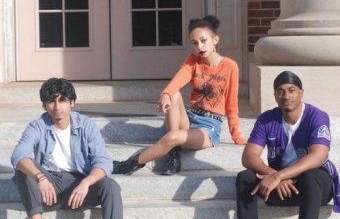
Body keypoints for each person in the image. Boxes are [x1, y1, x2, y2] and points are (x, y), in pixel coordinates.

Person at [112, 15, 247, 176]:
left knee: (173, 135)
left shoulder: (230, 66)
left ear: (215, 39)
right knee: (174, 95)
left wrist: (236, 135)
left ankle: (131, 164)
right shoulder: (193, 60)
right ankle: (174, 155)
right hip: (189, 118)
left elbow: (231, 105)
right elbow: (178, 80)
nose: (200, 46)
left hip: (209, 126)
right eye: (195, 43)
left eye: (204, 40)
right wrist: (165, 95)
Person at [10, 78, 123, 219]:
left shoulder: (86, 125)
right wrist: (40, 178)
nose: (57, 107)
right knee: (23, 167)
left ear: (72, 102)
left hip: (79, 187)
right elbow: (19, 155)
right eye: (52, 101)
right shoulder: (37, 126)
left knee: (110, 186)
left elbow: (103, 161)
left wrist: (86, 182)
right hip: (49, 188)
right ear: (44, 105)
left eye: (62, 100)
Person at [235, 71, 340, 219]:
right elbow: (248, 156)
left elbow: (317, 157)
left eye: (292, 90)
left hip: (315, 189)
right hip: (280, 187)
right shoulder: (266, 119)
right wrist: (275, 176)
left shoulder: (317, 116)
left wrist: (279, 176)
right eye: (280, 91)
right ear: (275, 96)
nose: (286, 96)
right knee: (244, 177)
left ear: (301, 93)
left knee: (311, 176)